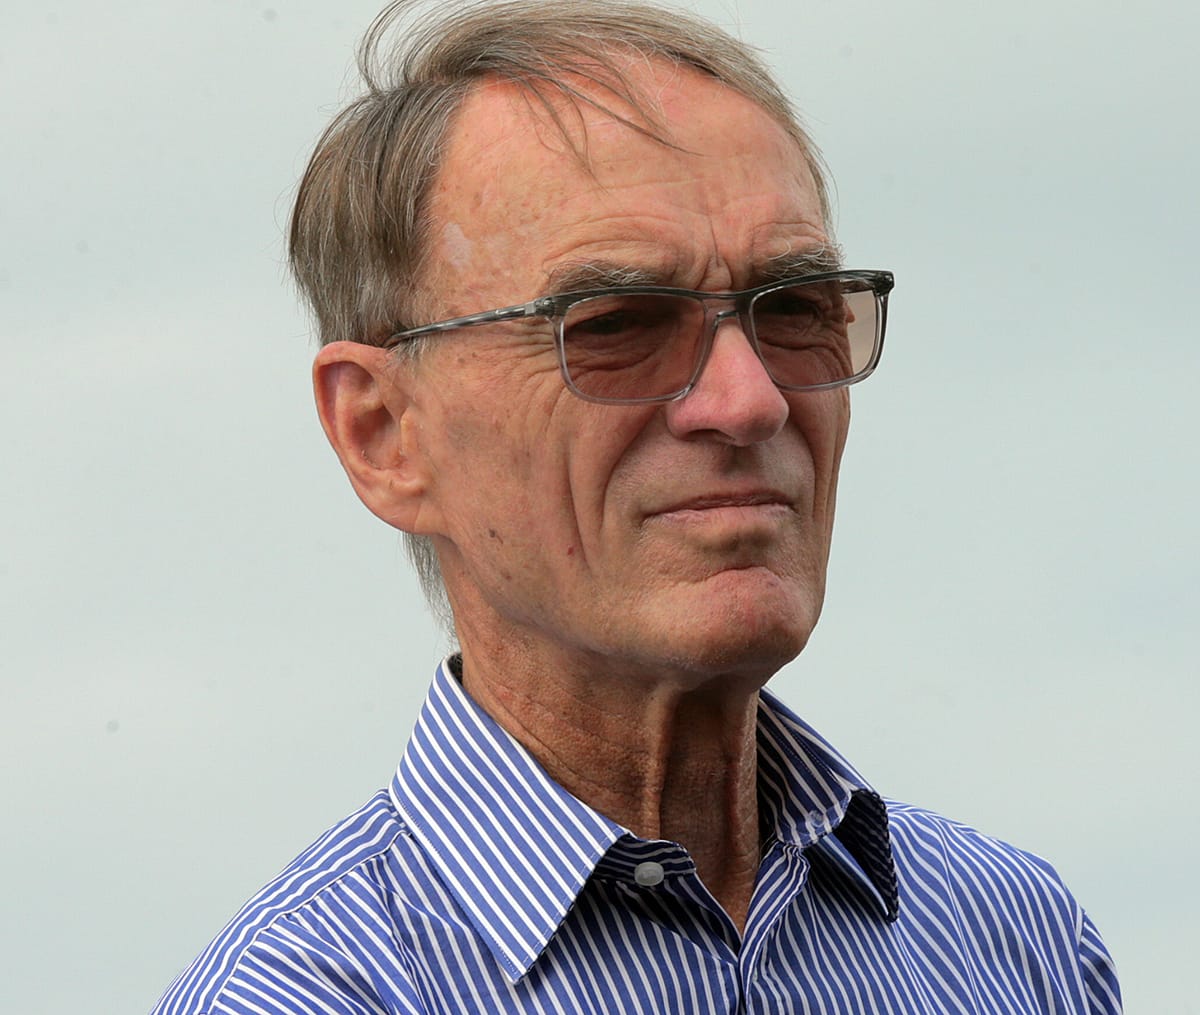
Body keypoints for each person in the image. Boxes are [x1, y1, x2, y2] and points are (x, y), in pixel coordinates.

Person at [152, 1, 1121, 1012]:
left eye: (794, 309)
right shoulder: (305, 993)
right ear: (384, 433)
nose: (749, 400)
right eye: (615, 325)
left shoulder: (1014, 942)